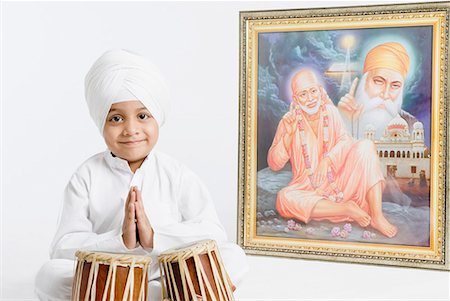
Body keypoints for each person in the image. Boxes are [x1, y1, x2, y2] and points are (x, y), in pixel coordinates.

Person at [35, 49, 248, 300]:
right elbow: (62, 247)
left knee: (235, 256)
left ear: (157, 118)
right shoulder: (86, 176)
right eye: (116, 118)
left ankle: (143, 294)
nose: (131, 129)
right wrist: (119, 240)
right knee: (49, 275)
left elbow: (213, 232)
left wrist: (154, 237)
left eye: (142, 116)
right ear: (100, 122)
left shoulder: (176, 173)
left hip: (169, 271)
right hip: (105, 275)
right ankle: (160, 296)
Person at [268, 68, 397, 238]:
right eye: (303, 94)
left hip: (339, 182)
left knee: (366, 146)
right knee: (284, 198)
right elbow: (274, 164)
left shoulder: (330, 112)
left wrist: (327, 161)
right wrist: (288, 136)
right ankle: (346, 209)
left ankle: (377, 216)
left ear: (320, 91)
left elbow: (346, 141)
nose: (310, 98)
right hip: (308, 189)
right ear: (296, 99)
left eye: (313, 91)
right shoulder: (289, 122)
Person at [338, 42, 418, 139]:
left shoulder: (412, 125)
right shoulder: (339, 116)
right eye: (379, 82)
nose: (385, 94)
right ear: (364, 81)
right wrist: (345, 122)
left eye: (395, 85)